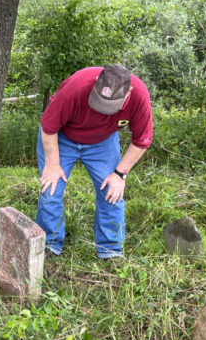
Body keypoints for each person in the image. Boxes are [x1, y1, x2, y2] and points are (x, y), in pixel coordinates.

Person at [36, 65, 153, 259]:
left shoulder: (139, 96)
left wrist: (119, 174)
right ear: (97, 80)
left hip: (103, 142)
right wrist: (53, 165)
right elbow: (48, 127)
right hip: (62, 137)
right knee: (51, 189)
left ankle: (110, 251)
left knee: (112, 192)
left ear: (128, 93)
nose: (103, 109)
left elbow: (142, 141)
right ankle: (49, 244)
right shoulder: (75, 87)